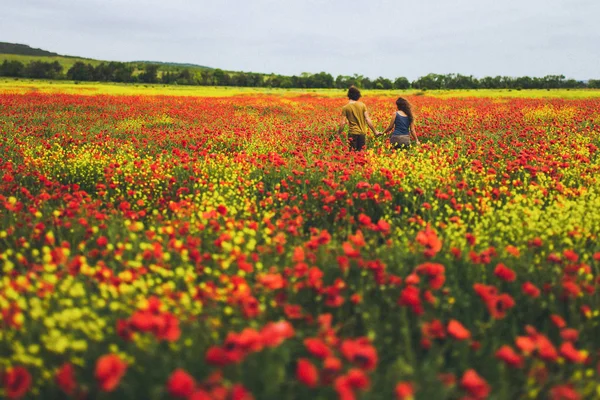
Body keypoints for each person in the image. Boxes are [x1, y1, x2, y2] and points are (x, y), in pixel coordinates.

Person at [338, 86, 379, 151]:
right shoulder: (362, 105)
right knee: (361, 155)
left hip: (352, 133)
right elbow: (368, 119)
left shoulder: (345, 107)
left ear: (349, 95)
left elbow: (343, 123)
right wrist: (375, 131)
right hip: (362, 133)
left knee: (352, 154)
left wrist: (338, 134)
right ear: (358, 96)